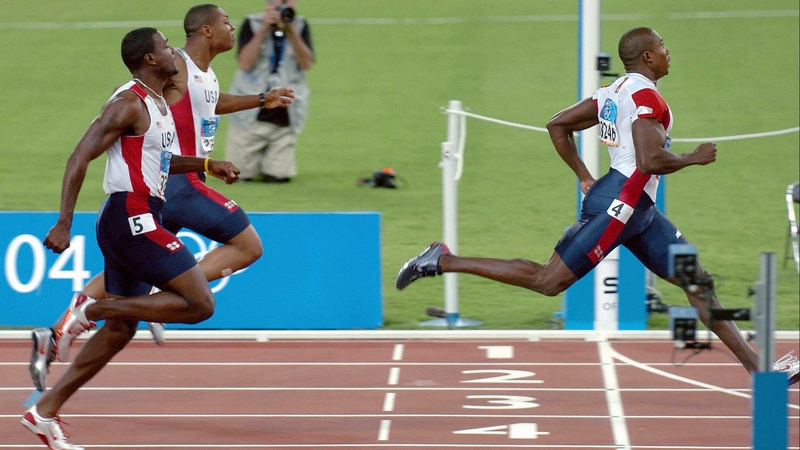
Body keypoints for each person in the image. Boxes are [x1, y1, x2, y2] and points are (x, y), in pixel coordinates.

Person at [395, 27, 799, 386]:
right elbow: (649, 161)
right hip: (620, 207)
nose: (668, 52)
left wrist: (585, 177)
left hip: (638, 212)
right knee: (547, 281)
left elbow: (557, 124)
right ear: (646, 56)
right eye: (662, 47)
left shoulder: (613, 91)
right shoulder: (646, 99)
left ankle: (761, 372)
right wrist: (694, 157)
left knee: (699, 283)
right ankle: (442, 260)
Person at [28, 4, 295, 393]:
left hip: (171, 182)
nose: (232, 27)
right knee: (247, 246)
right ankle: (167, 293)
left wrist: (259, 100)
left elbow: (211, 102)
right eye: (224, 22)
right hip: (174, 186)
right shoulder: (177, 69)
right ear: (205, 32)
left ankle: (55, 334)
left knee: (130, 287)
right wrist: (64, 220)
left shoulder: (202, 74)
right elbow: (112, 131)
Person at [20, 27, 244, 449]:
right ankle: (94, 307)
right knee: (200, 303)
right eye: (163, 46)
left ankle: (43, 412)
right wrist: (63, 222)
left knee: (121, 332)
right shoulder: (128, 102)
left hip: (140, 214)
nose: (172, 49)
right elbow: (79, 154)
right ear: (150, 60)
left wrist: (207, 165)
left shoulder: (157, 101)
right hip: (130, 218)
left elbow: (158, 159)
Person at [225, 0, 314, 183]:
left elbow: (306, 64)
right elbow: (245, 64)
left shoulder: (300, 25)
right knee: (238, 175)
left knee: (278, 177)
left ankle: (272, 165)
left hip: (285, 116)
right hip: (249, 115)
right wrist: (265, 27)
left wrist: (291, 32)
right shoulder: (252, 23)